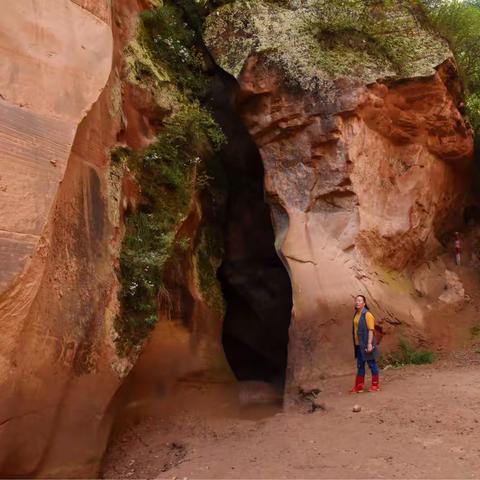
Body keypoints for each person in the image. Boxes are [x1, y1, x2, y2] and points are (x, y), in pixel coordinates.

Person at [349, 295, 380, 393]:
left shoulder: (367, 314)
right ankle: (359, 386)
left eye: (359, 301)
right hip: (359, 345)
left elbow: (371, 330)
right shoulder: (356, 314)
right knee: (360, 365)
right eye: (356, 300)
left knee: (371, 364)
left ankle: (375, 385)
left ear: (364, 303)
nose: (357, 302)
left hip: (367, 344)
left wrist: (369, 343)